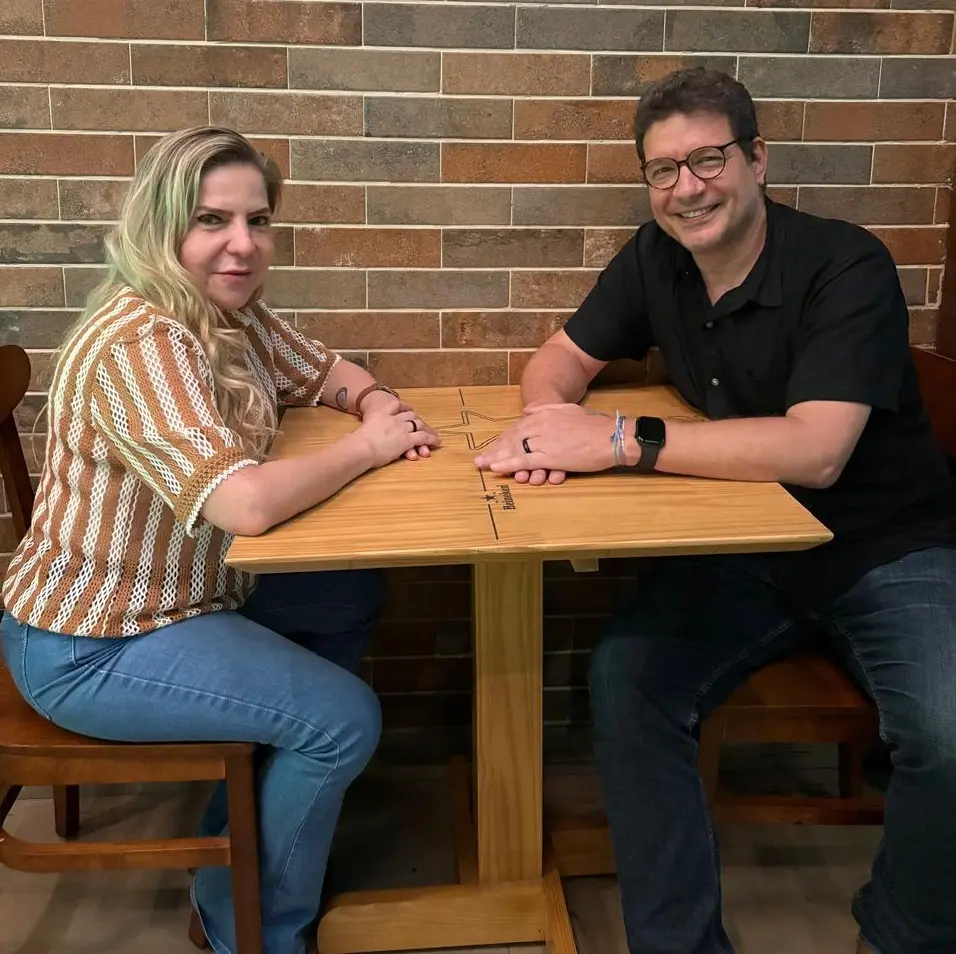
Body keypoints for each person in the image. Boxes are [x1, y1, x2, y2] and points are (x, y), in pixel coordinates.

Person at [475, 67, 956, 954]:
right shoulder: (656, 257)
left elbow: (818, 450)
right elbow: (558, 359)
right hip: (746, 551)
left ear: (757, 159)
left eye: (707, 159)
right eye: (663, 170)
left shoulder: (847, 264)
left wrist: (619, 439)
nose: (686, 188)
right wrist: (550, 426)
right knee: (626, 682)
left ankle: (899, 938)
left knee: (951, 733)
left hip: (886, 550)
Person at [0, 125, 441, 954]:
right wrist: (369, 446)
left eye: (257, 220)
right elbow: (243, 505)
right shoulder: (144, 339)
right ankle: (252, 928)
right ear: (163, 226)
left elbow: (325, 372)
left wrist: (376, 402)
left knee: (350, 591)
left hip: (186, 596)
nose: (242, 245)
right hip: (91, 641)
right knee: (343, 720)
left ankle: (237, 844)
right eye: (212, 220)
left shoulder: (221, 311)